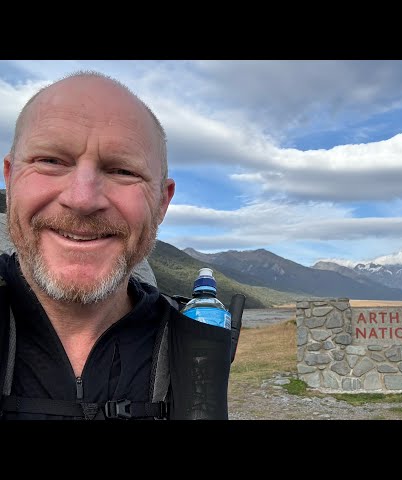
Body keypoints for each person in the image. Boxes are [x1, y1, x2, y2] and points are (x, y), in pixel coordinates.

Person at [0, 71, 232, 420]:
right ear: (10, 178)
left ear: (161, 203)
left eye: (123, 171)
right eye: (50, 161)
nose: (82, 199)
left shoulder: (189, 342)